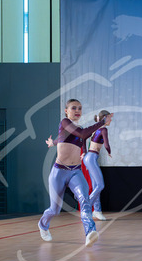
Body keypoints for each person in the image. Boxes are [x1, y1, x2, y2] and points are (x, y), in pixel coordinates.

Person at [40, 99, 112, 246]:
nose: (77, 110)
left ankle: (90, 233)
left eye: (79, 108)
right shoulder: (65, 122)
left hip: (75, 172)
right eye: (74, 108)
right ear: (66, 111)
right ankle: (43, 225)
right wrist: (102, 122)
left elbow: (78, 139)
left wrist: (83, 151)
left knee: (85, 201)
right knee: (54, 210)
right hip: (59, 172)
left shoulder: (79, 129)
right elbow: (82, 134)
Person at [83, 110, 112, 221]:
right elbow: (106, 144)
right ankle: (87, 207)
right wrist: (109, 151)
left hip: (89, 157)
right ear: (104, 117)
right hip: (91, 158)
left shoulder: (96, 129)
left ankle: (97, 211)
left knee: (96, 186)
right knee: (100, 185)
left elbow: (83, 138)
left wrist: (84, 152)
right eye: (109, 118)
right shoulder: (103, 129)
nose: (111, 120)